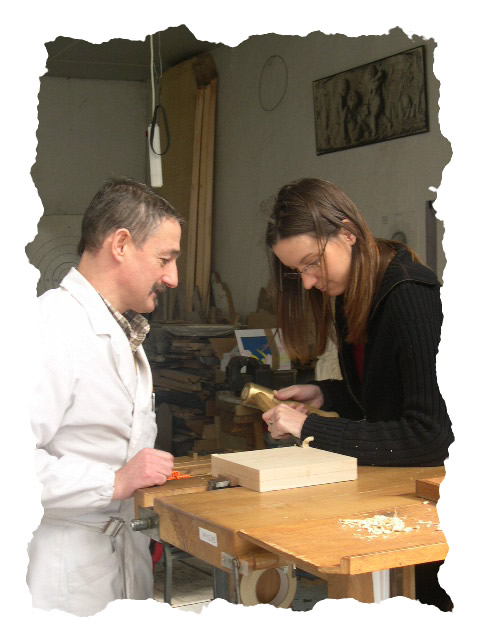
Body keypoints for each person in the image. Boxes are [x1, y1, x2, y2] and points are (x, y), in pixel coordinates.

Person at [27, 177, 182, 616]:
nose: (172, 278)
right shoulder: (49, 328)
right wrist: (113, 483)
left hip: (119, 552)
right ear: (121, 244)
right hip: (62, 574)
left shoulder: (118, 329)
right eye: (165, 259)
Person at [262, 177, 453, 468]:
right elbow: (387, 399)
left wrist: (308, 428)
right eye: (297, 270)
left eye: (312, 261)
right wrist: (327, 395)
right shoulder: (351, 293)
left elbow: (432, 437)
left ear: (348, 232)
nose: (308, 282)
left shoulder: (410, 294)